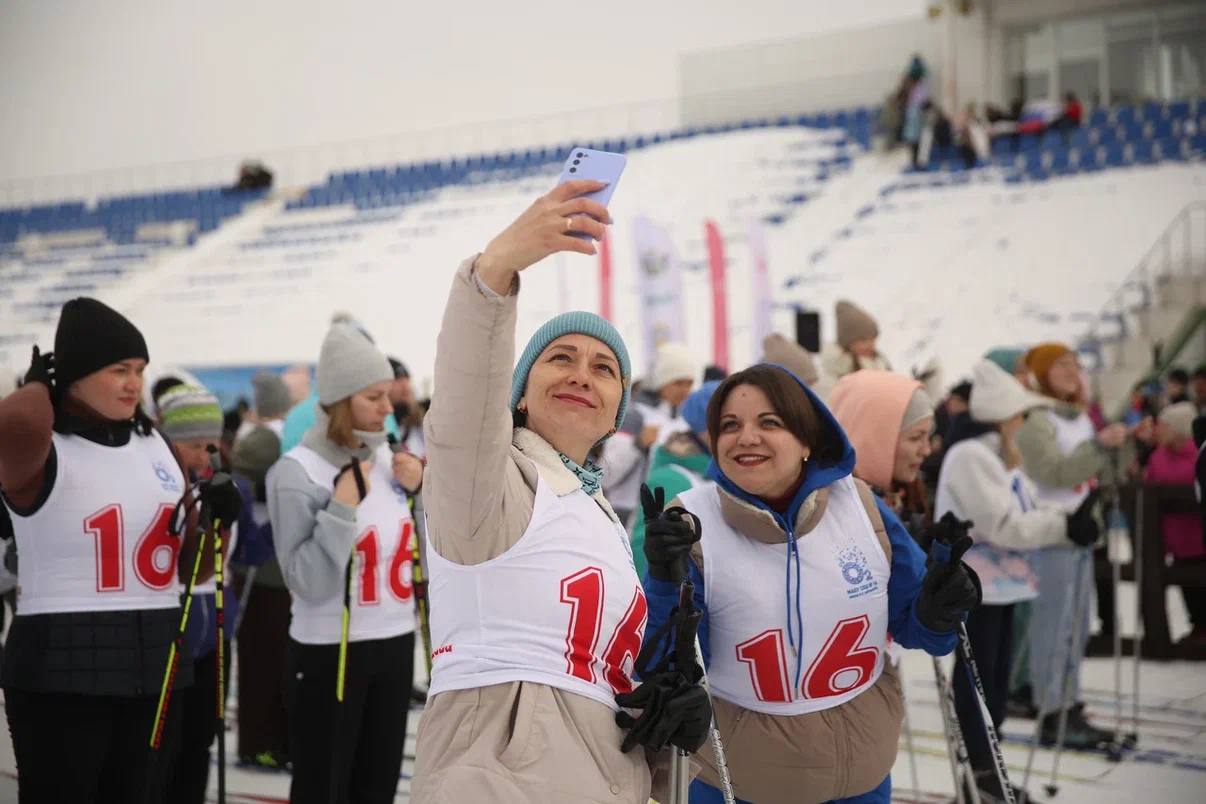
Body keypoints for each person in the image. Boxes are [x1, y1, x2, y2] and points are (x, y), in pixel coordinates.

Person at [411, 180, 710, 803]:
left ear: (615, 412)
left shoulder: (595, 511)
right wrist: (495, 272)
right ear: (519, 394)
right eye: (560, 358)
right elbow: (464, 410)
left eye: (603, 368)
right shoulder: (489, 485)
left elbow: (606, 672)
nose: (581, 374)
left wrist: (666, 707)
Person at [643, 364, 978, 803]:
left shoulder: (860, 506)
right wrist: (664, 583)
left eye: (769, 422)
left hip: (861, 780)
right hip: (741, 784)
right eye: (730, 425)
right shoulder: (693, 521)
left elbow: (921, 631)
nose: (746, 437)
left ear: (806, 439)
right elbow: (668, 668)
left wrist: (941, 607)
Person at [0, 298, 215, 802]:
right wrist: (38, 386)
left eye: (139, 370)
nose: (134, 383)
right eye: (118, 370)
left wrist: (213, 524)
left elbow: (194, 570)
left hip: (154, 666)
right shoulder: (43, 446)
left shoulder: (157, 445)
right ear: (75, 374)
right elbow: (13, 427)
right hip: (62, 671)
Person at [267, 323, 422, 804]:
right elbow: (306, 581)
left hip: (395, 643)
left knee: (377, 788)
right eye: (373, 397)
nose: (387, 407)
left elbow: (426, 551)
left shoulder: (390, 460)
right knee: (325, 787)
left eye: (388, 395)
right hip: (328, 651)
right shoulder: (297, 472)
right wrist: (340, 508)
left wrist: (422, 491)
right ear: (339, 401)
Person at [935, 360, 1091, 800]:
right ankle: (978, 776)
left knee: (996, 683)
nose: (1024, 425)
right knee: (978, 683)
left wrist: (1068, 517)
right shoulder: (972, 456)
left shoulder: (1002, 458)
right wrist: (1063, 526)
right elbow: (1002, 525)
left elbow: (1026, 507)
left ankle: (989, 773)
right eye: (1020, 416)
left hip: (1003, 587)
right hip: (975, 587)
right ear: (1003, 418)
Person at [1015, 342, 1124, 749]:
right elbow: (1053, 472)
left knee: (1076, 626)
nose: (1071, 371)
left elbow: (1096, 469)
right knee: (1054, 626)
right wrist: (1100, 447)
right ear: (1042, 372)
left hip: (1079, 530)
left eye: (1075, 364)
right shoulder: (1037, 418)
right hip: (1051, 532)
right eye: (1061, 364)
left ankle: (1069, 702)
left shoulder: (1079, 417)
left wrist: (1121, 445)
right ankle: (1051, 709)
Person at [158, 384, 249, 804]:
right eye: (193, 445)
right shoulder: (163, 484)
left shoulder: (223, 482)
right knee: (167, 744)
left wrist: (229, 517)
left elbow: (230, 557)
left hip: (214, 625)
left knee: (200, 739)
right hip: (173, 625)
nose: (204, 455)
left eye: (211, 445)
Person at [630, 380, 720, 580]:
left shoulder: (720, 476)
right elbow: (645, 555)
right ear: (704, 429)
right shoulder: (672, 478)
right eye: (727, 424)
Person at [601, 343, 697, 524]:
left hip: (669, 510)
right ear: (662, 382)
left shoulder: (685, 420)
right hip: (626, 514)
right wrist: (638, 444)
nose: (685, 390)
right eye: (678, 383)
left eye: (689, 383)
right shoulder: (633, 416)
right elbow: (606, 475)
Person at [829, 369, 935, 531]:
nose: (926, 450)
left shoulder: (907, 494)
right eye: (915, 438)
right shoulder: (835, 513)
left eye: (929, 436)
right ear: (873, 440)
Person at [1144, 401, 1206, 650]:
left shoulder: (1198, 453)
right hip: (1176, 538)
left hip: (1198, 535)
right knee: (1188, 588)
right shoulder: (1158, 456)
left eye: (1164, 426)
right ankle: (1198, 628)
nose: (1158, 430)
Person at [817, 300, 891, 398]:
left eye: (873, 339)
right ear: (848, 343)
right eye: (864, 340)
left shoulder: (879, 360)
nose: (871, 345)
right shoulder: (835, 370)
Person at [388, 357, 425, 457]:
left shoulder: (422, 426)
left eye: (407, 379)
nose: (405, 386)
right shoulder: (375, 435)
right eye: (397, 379)